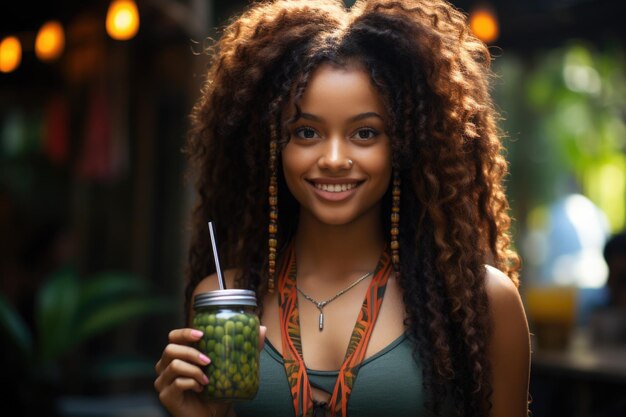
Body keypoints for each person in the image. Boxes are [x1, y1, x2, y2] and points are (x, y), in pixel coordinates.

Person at [153, 1, 531, 416]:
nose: (334, 158)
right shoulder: (224, 303)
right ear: (272, 146)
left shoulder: (482, 300)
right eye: (307, 132)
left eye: (365, 133)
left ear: (405, 146)